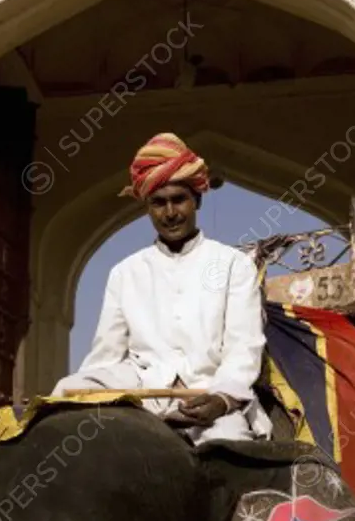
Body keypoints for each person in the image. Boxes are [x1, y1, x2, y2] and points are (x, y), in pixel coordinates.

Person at [52, 132, 272, 444]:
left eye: (178, 200)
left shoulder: (233, 264)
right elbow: (107, 356)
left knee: (229, 450)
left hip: (210, 398)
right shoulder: (124, 273)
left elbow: (243, 349)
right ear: (147, 208)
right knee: (69, 390)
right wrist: (91, 390)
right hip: (143, 394)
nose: (170, 213)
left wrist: (221, 400)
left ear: (196, 199)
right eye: (158, 203)